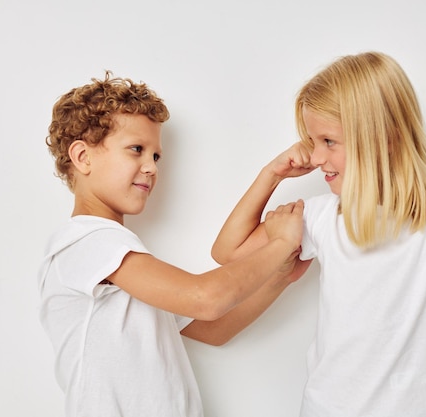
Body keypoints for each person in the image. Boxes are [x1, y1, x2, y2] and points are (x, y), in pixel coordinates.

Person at [211, 52, 426, 417]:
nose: (314, 157)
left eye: (328, 141)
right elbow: (228, 251)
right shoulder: (324, 216)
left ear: (383, 139)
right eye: (312, 142)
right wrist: (272, 174)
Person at [37, 72, 306, 417]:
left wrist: (279, 276)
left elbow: (213, 328)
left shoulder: (121, 255)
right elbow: (206, 299)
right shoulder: (86, 241)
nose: (151, 168)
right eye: (137, 150)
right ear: (83, 157)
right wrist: (281, 243)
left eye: (156, 156)